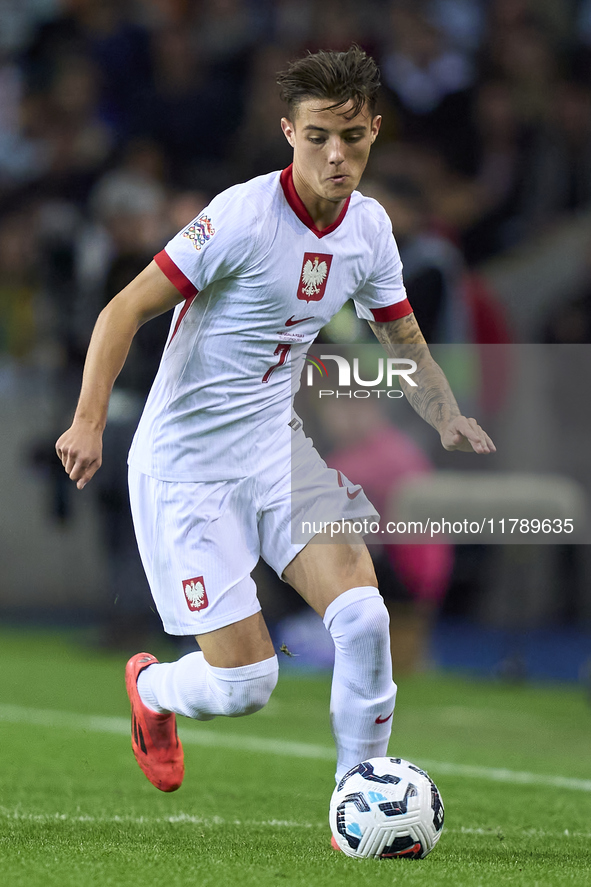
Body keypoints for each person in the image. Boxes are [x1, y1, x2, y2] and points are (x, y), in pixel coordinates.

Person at [55, 47, 494, 813]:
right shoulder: (238, 218)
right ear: (288, 131)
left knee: (362, 614)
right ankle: (153, 687)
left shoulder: (368, 227)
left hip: (272, 449)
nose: (337, 154)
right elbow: (121, 310)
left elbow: (399, 330)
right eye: (319, 135)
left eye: (352, 137)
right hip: (186, 468)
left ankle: (357, 801)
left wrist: (444, 410)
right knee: (245, 684)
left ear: (374, 133)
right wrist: (88, 421)